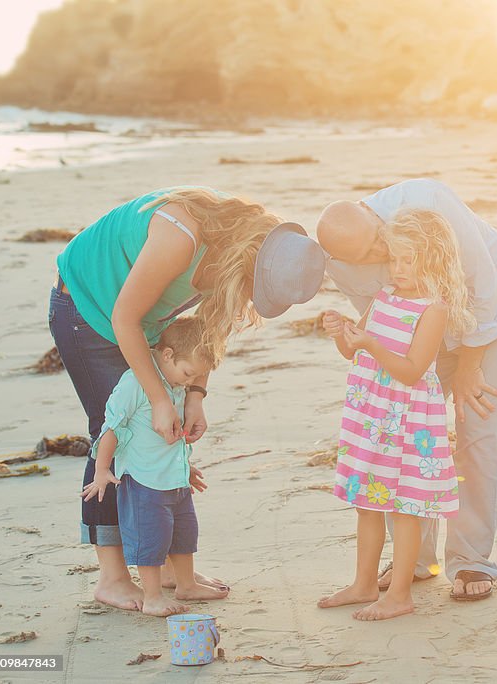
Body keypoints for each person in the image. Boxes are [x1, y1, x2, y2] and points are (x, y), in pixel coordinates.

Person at [50, 187, 324, 610]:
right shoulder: (181, 236)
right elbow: (125, 318)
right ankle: (112, 577)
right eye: (257, 289)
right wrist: (160, 399)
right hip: (88, 311)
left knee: (158, 437)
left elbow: (204, 332)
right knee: (115, 431)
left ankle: (166, 569)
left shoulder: (236, 255)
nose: (252, 299)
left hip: (146, 320)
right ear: (249, 262)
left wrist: (194, 395)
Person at [315, 179, 497, 600]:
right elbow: (385, 321)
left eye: (378, 249)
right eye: (363, 260)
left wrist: (471, 364)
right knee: (411, 439)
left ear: (377, 221)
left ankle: (471, 560)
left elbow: (484, 292)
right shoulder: (340, 260)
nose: (380, 262)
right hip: (425, 327)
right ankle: (414, 559)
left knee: (477, 427)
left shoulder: (429, 205)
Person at [317, 209, 473, 620]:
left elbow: (412, 370)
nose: (398, 269)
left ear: (433, 260)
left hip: (407, 421)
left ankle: (400, 593)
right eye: (395, 259)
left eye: (409, 260)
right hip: (370, 416)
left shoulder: (432, 310)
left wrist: (369, 343)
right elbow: (353, 350)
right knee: (367, 502)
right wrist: (343, 334)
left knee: (403, 506)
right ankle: (364, 582)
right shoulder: (383, 297)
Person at [82, 317, 227, 617]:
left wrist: (185, 466)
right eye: (188, 374)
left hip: (174, 481)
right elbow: (111, 428)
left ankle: (186, 583)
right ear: (168, 355)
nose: (189, 382)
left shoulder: (176, 385)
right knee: (151, 540)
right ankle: (152, 597)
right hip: (145, 482)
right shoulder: (134, 384)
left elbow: (173, 437)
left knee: (184, 535)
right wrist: (101, 470)